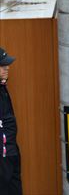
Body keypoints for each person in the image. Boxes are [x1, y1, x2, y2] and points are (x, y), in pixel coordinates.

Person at [0, 47, 21, 195]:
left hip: (11, 150)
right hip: (3, 155)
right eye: (2, 65)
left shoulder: (2, 87)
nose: (7, 68)